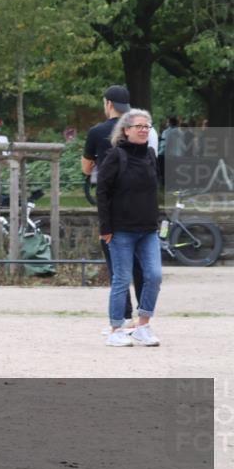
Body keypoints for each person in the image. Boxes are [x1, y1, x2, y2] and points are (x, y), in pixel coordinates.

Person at [97, 109, 162, 347]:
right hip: (121, 229)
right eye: (139, 126)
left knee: (154, 276)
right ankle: (116, 328)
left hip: (148, 229)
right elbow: (102, 192)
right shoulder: (116, 156)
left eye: (147, 126)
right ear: (126, 130)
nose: (144, 129)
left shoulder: (151, 155)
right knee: (122, 279)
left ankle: (143, 325)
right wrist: (105, 227)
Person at [82, 85, 143, 327]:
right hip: (139, 201)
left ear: (108, 103)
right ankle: (143, 316)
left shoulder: (97, 132)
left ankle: (124, 316)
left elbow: (86, 168)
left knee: (117, 265)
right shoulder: (140, 129)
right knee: (140, 262)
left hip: (111, 204)